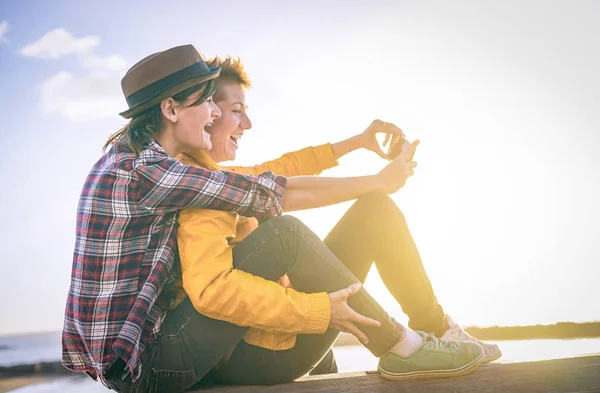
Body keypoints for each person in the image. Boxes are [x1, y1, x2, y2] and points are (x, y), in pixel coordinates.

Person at [136, 56, 494, 392]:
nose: (247, 124)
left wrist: (357, 142)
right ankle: (409, 344)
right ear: (208, 114)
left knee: (373, 208)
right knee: (346, 219)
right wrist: (318, 310)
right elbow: (214, 290)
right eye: (237, 110)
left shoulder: (217, 177)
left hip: (269, 341)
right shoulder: (198, 189)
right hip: (256, 358)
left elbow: (286, 168)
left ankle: (434, 332)